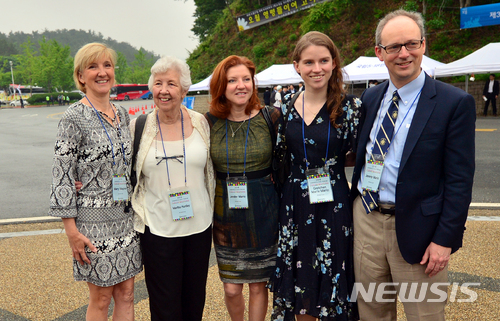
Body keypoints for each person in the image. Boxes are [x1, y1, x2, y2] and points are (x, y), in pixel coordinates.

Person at [351, 10, 475, 321]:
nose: (404, 53)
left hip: (421, 231)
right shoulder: (370, 97)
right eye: (394, 47)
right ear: (380, 53)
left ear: (423, 45)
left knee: (425, 315)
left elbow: (460, 179)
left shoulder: (453, 103)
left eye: (412, 44)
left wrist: (445, 239)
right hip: (367, 221)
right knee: (372, 312)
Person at [269, 31, 361, 321]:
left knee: (334, 277)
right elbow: (280, 154)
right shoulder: (284, 106)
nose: (316, 68)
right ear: (297, 66)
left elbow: (359, 155)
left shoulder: (350, 107)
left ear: (334, 63)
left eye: (323, 60)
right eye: (308, 62)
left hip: (334, 202)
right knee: (300, 284)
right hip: (295, 202)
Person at [49, 43, 142, 321]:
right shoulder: (72, 118)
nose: (102, 72)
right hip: (92, 222)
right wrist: (71, 232)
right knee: (101, 298)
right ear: (81, 76)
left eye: (107, 65)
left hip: (124, 217)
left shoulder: (122, 115)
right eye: (93, 66)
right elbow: (61, 175)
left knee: (127, 293)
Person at [130, 56, 215, 320]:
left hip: (199, 228)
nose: (164, 90)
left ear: (185, 89)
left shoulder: (201, 122)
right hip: (157, 230)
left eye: (171, 84)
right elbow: (119, 168)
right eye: (158, 83)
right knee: (164, 305)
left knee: (193, 301)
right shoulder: (139, 126)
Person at [205, 55, 280, 321]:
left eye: (246, 79)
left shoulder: (271, 117)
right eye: (232, 80)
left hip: (265, 210)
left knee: (259, 284)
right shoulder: (209, 122)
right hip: (226, 214)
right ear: (221, 86)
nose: (241, 86)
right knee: (232, 287)